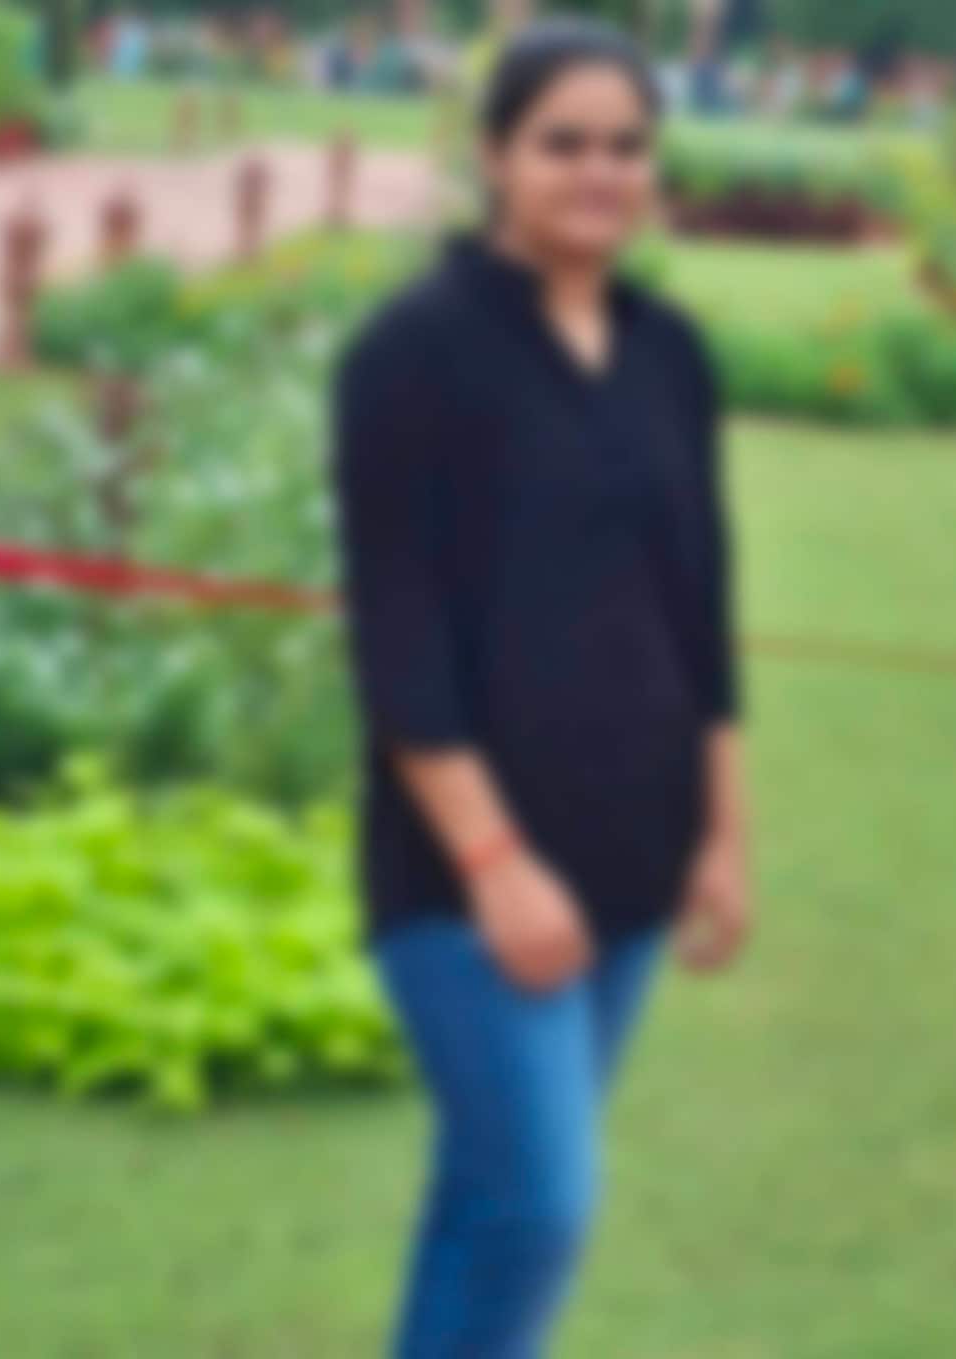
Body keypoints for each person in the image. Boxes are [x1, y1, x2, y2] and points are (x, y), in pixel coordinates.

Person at [330, 18, 752, 1357]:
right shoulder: (411, 353)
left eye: (627, 145)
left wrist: (724, 834)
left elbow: (703, 611)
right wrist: (497, 864)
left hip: (635, 852)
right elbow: (399, 639)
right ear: (494, 157)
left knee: (492, 1199)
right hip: (468, 872)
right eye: (563, 143)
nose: (600, 173)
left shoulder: (670, 352)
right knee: (541, 1201)